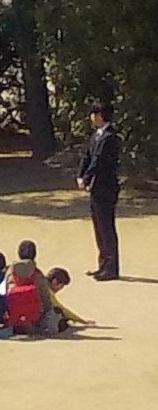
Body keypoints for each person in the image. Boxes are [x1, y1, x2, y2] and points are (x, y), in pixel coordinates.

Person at [77, 101, 121, 281]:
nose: (92, 117)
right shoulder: (96, 135)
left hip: (106, 188)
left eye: (94, 114)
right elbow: (87, 156)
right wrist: (80, 175)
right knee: (98, 227)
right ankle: (102, 264)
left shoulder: (110, 138)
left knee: (106, 228)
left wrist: (87, 177)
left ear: (101, 116)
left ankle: (111, 268)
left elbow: (99, 161)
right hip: (96, 189)